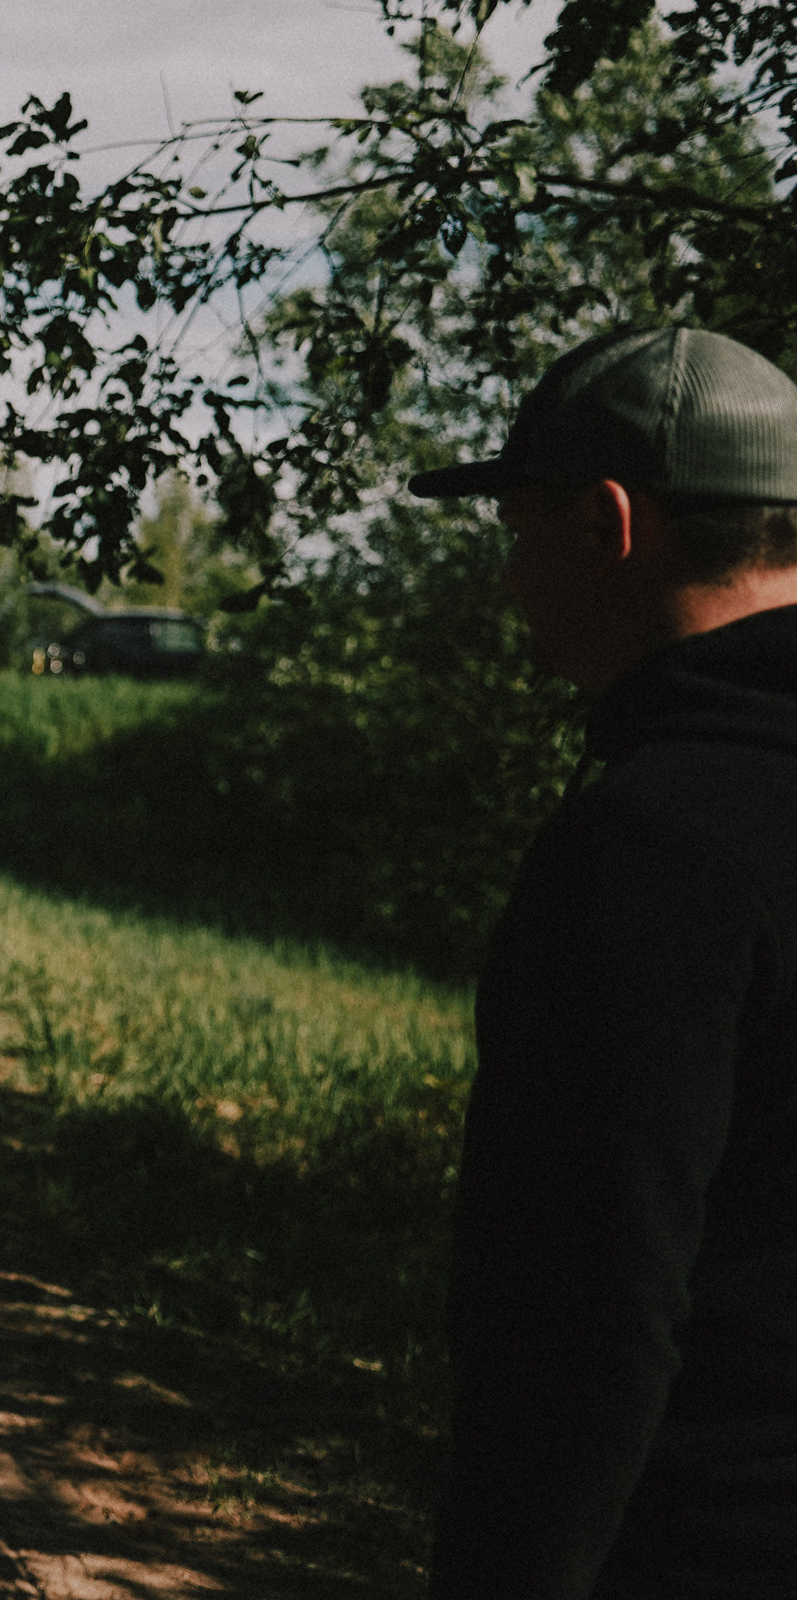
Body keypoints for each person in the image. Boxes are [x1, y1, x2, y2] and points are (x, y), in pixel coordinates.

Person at [411, 328, 797, 1597]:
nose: (512, 580)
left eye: (519, 530)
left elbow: (589, 1314)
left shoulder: (656, 845)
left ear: (608, 524)